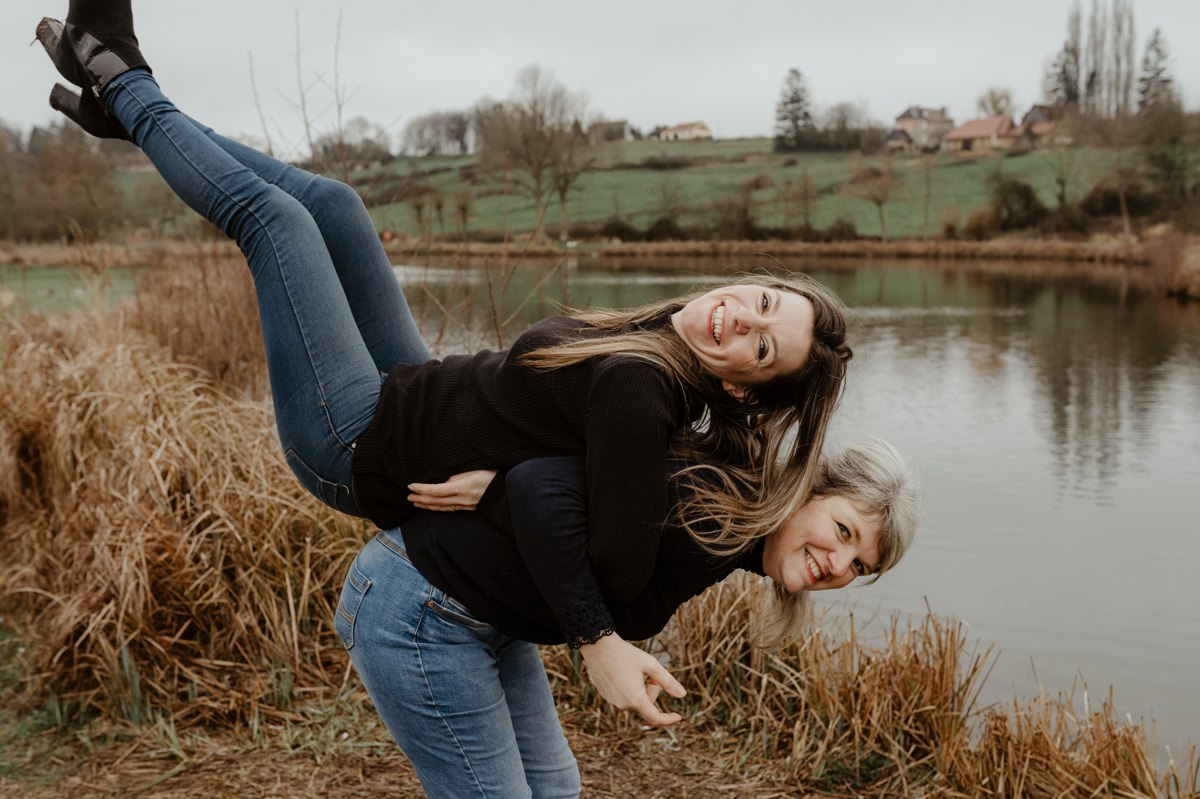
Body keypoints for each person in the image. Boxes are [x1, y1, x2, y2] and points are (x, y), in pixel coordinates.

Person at [34, 1, 852, 606]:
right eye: (765, 300)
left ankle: (119, 75)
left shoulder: (647, 392)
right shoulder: (659, 342)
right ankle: (131, 114)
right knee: (337, 206)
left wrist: (501, 492)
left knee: (277, 223)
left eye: (762, 347)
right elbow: (599, 468)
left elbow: (621, 572)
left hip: (357, 439)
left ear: (743, 384)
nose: (742, 317)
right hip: (411, 388)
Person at [337, 439, 917, 798]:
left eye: (859, 565)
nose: (837, 565)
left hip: (486, 620)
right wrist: (598, 640)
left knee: (555, 787)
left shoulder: (734, 537)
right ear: (811, 488)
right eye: (844, 531)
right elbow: (539, 486)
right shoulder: (714, 499)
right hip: (420, 606)